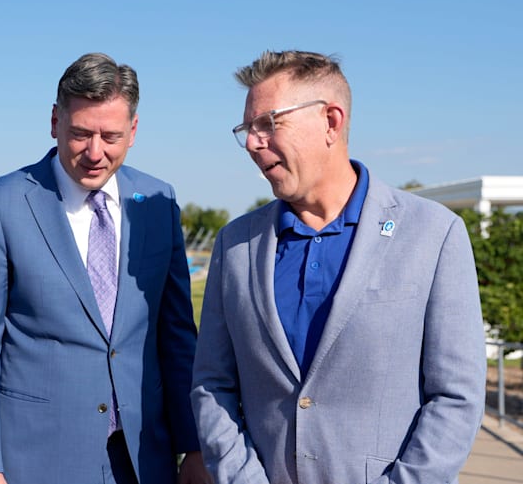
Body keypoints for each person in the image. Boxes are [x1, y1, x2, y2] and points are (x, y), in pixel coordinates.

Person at [190, 50, 486, 484]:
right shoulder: (235, 244)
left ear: (331, 121)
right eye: (246, 129)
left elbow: (456, 397)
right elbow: (212, 385)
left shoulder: (434, 234)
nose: (253, 142)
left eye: (268, 123)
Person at [0, 53, 208, 484]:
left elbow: (177, 334)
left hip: (146, 459)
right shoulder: (1, 204)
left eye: (110, 136)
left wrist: (196, 445)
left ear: (134, 130)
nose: (95, 152)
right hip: (37, 460)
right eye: (80, 134)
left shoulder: (158, 201)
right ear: (55, 122)